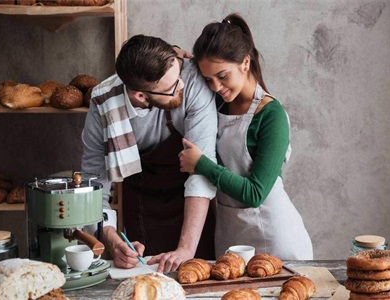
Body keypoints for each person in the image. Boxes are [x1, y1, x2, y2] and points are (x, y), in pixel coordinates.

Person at [179, 13, 313, 260]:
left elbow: (255, 193)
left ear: (245, 62)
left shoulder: (272, 116)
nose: (216, 87)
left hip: (275, 238)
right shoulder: (217, 104)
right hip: (231, 235)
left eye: (222, 76)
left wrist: (201, 164)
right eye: (208, 79)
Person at [81, 34, 218, 272]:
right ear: (141, 96)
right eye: (172, 87)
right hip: (143, 201)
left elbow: (201, 172)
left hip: (193, 203)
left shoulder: (192, 81)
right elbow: (92, 190)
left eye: (178, 74)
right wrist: (112, 240)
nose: (182, 86)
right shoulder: (103, 104)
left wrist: (186, 249)